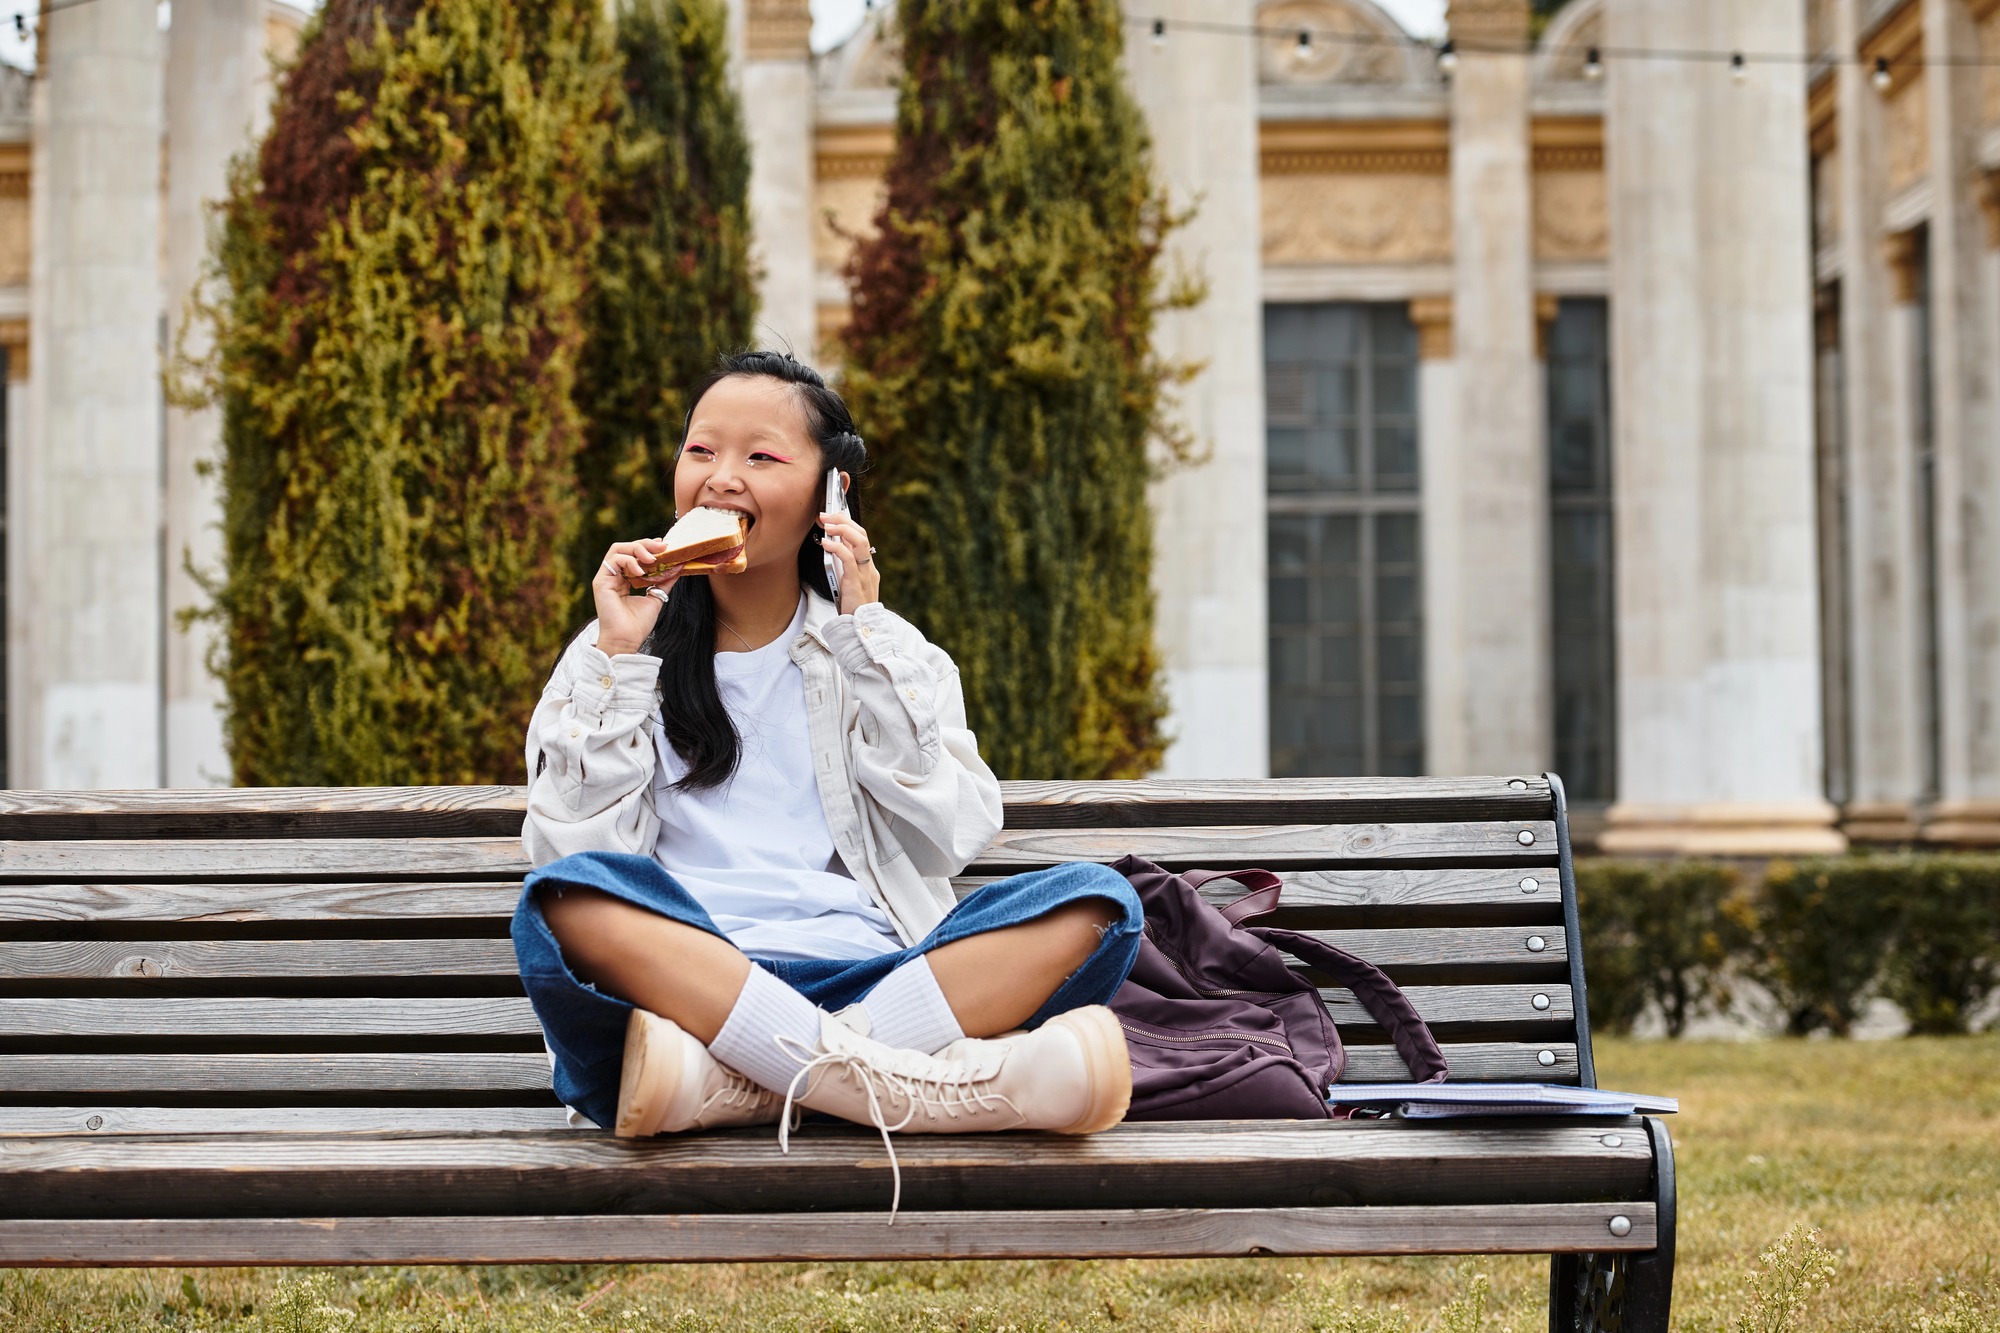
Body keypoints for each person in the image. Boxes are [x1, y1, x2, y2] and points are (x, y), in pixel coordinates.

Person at [511, 351, 1143, 1201]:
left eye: (761, 458)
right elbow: (574, 848)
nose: (719, 480)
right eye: (700, 452)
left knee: (1101, 905)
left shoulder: (882, 647)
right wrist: (622, 657)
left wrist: (865, 636)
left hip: (870, 977)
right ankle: (912, 1085)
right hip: (684, 983)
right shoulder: (613, 649)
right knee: (564, 900)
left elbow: (951, 834)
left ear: (830, 493)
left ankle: (740, 1083)